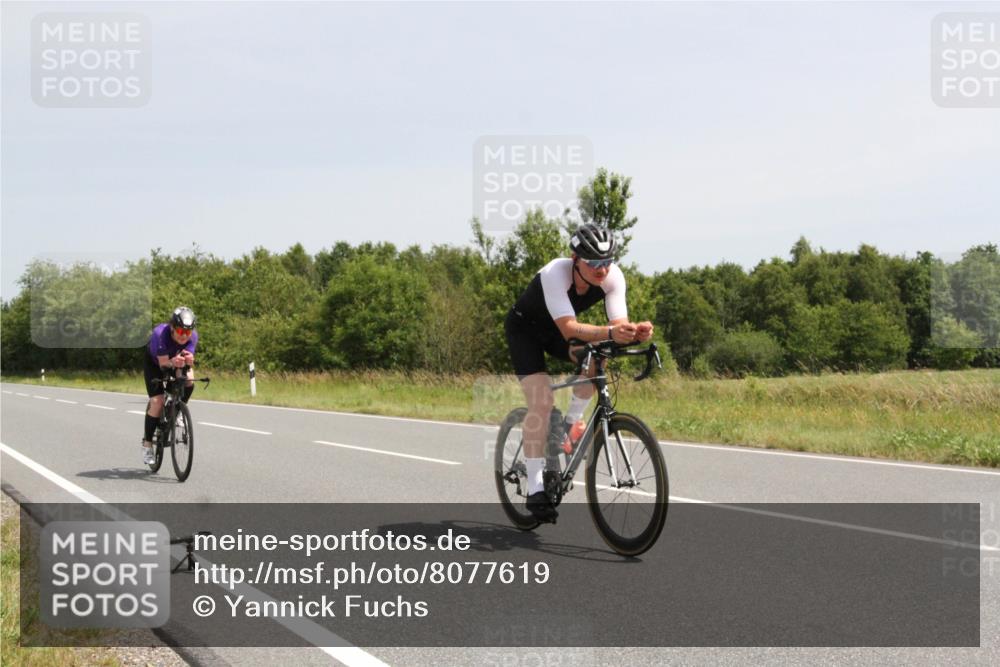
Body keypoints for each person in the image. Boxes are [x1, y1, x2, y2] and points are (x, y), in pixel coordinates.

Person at [505, 224, 653, 522]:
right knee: (542, 404)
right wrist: (612, 331)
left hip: (560, 332)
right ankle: (535, 488)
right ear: (575, 258)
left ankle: (569, 427)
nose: (602, 269)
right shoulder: (554, 274)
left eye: (608, 261)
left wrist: (633, 332)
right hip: (527, 332)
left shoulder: (612, 277)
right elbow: (570, 329)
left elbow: (617, 324)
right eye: (594, 262)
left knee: (600, 355)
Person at [141, 306, 198, 465]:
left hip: (175, 359)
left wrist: (188, 360)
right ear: (172, 327)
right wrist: (174, 362)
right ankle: (147, 444)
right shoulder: (161, 334)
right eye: (180, 331)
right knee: (157, 402)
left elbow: (186, 362)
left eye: (187, 333)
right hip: (155, 363)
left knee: (189, 380)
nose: (184, 336)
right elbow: (163, 365)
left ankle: (178, 410)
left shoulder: (193, 337)